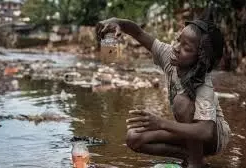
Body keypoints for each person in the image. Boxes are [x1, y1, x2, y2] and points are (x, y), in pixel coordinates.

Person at [96, 7, 231, 168]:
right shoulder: (169, 56)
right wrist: (118, 23)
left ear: (200, 60)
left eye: (186, 48)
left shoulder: (203, 85)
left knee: (182, 102)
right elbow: (139, 33)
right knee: (134, 137)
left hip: (215, 138)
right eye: (178, 39)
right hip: (192, 133)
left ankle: (196, 164)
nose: (176, 47)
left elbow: (206, 131)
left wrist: (161, 123)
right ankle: (191, 157)